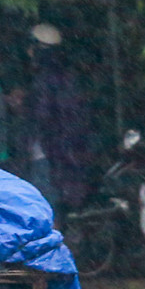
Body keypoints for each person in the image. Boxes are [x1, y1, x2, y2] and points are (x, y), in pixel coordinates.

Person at [22, 24, 91, 211]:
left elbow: (41, 113)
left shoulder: (43, 75)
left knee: (44, 199)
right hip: (65, 148)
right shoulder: (67, 72)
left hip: (47, 149)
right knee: (55, 197)